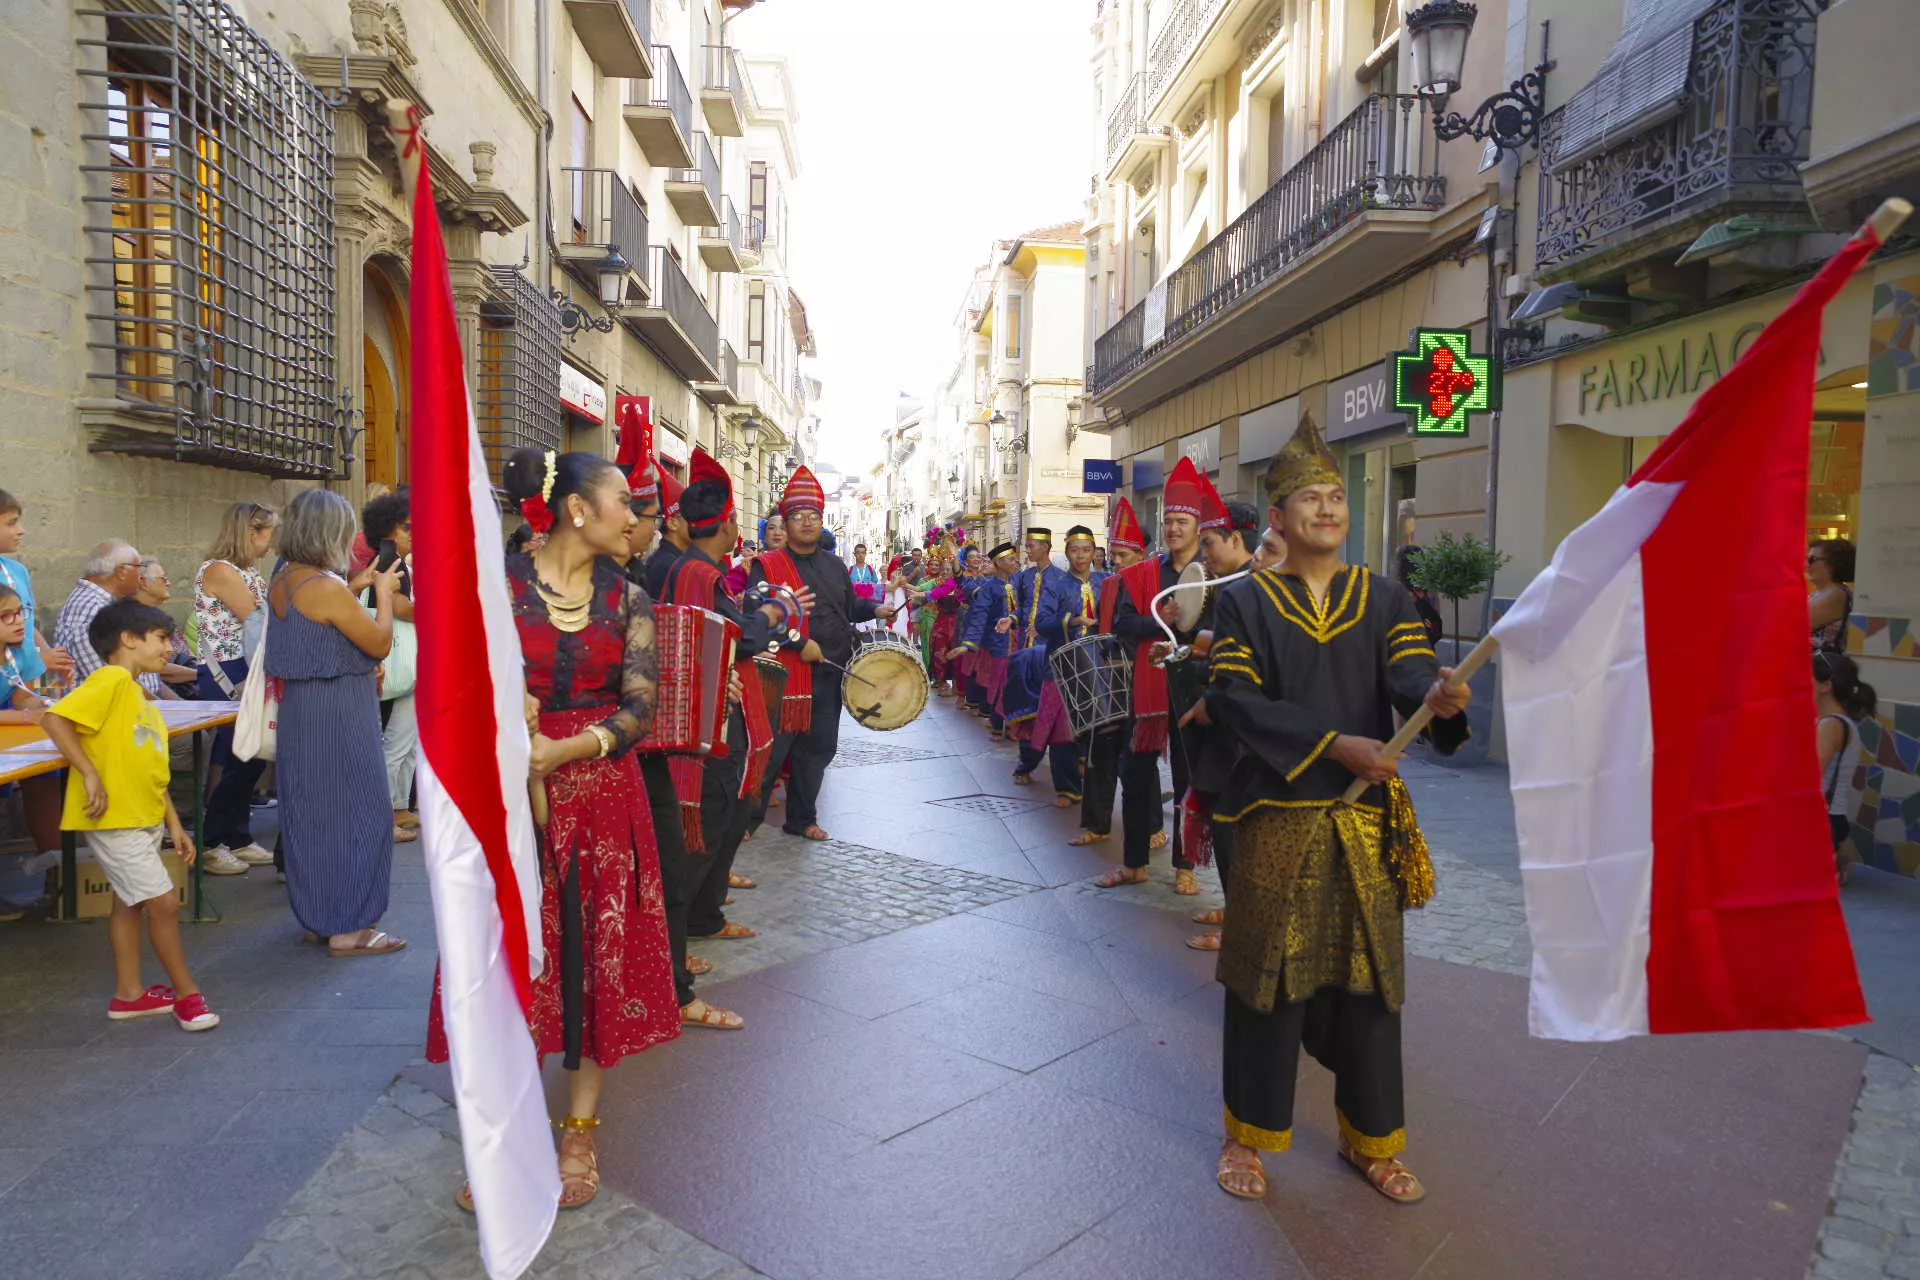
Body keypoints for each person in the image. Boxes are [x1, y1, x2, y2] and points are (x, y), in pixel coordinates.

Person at [1204, 413, 1470, 1205]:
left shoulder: (1383, 597)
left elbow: (1411, 675)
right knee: (1266, 983)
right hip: (1277, 818)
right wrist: (1334, 744)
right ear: (1278, 518)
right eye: (1308, 499)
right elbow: (1233, 698)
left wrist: (1438, 698)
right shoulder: (1246, 604)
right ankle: (1247, 1136)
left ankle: (1372, 1140)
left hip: (1361, 823)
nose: (1326, 508)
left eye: (1335, 496)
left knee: (1371, 987)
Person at [430, 447, 680, 1214]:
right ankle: (504, 1131)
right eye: (623, 503)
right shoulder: (497, 589)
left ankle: (579, 1128)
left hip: (602, 794)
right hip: (508, 797)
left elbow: (642, 707)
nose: (635, 518)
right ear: (578, 509)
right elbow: (457, 686)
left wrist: (567, 748)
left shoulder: (631, 597)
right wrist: (508, 727)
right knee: (508, 956)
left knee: (592, 956)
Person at [659, 450, 799, 1028]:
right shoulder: (698, 574)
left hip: (708, 716)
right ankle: (672, 964)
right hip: (704, 728)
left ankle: (697, 924)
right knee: (699, 833)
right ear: (728, 527)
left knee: (716, 823)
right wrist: (778, 610)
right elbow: (731, 640)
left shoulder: (694, 571)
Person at [42, 599, 219, 1030]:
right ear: (128, 640)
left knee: (129, 903)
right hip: (116, 818)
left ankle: (129, 995)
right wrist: (88, 774)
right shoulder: (112, 679)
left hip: (141, 818)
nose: (167, 649)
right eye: (161, 639)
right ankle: (187, 995)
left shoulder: (136, 692)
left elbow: (150, 768)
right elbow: (55, 718)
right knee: (163, 903)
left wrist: (174, 824)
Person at [265, 489, 407, 957]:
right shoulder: (325, 587)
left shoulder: (284, 579)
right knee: (360, 812)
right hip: (341, 712)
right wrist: (382, 594)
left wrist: (356, 584)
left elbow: (315, 622)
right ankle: (351, 927)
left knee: (312, 814)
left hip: (302, 714)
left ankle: (320, 918)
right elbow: (379, 641)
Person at [748, 466, 891, 841]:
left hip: (829, 672)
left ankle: (802, 819)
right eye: (798, 516)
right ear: (786, 521)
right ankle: (745, 821)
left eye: (814, 516)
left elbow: (849, 607)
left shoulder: (834, 564)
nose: (807, 523)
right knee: (773, 752)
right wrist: (799, 643)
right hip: (784, 675)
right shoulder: (768, 566)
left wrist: (875, 610)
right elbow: (757, 618)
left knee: (819, 749)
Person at [1097, 459, 1213, 893]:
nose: (1173, 529)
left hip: (1192, 687)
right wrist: (1160, 620)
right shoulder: (1143, 574)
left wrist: (1187, 631)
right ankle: (1134, 862)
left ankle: (1186, 867)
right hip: (1146, 687)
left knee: (1188, 779)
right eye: (1167, 521)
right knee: (1136, 774)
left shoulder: (1211, 574)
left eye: (1181, 521)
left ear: (1197, 526)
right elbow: (1123, 625)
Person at [1180, 494, 1261, 951]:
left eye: (1208, 543)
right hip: (1223, 719)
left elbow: (1241, 661)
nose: (1203, 554)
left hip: (1240, 727)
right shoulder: (1227, 583)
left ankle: (1243, 927)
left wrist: (1210, 690)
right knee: (1225, 818)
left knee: (1234, 823)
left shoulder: (1250, 586)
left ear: (1236, 538)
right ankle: (1236, 909)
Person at [193, 501, 280, 876]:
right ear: (250, 532)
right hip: (226, 670)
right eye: (268, 534)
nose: (271, 544)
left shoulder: (247, 571)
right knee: (236, 754)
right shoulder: (220, 571)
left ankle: (237, 835)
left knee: (253, 752)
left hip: (248, 664)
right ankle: (211, 840)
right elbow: (257, 618)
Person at [1072, 500, 1146, 848]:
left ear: (1140, 554)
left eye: (1122, 556)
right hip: (1110, 679)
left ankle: (1151, 828)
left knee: (1138, 762)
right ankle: (1096, 824)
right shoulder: (1111, 586)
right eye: (1113, 555)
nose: (1114, 562)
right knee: (1101, 753)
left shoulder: (1153, 584)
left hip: (1144, 681)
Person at [1006, 528, 1086, 806]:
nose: (1028, 550)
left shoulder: (1063, 580)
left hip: (1052, 652)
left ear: (1046, 547)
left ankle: (1070, 774)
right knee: (1028, 711)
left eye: (1032, 546)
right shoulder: (1023, 578)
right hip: (1025, 652)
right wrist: (1012, 620)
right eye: (1027, 545)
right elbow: (1021, 608)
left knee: (1053, 714)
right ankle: (1025, 763)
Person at [362, 489, 420, 844]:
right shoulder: (387, 565)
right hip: (394, 660)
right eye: (407, 527)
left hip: (406, 661)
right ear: (388, 531)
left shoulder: (402, 562)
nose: (414, 532)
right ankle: (383, 813)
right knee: (396, 741)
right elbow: (404, 609)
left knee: (407, 741)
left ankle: (398, 805)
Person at [0, 490, 76, 691]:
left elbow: (28, 621)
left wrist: (50, 658)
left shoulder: (17, 571)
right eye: (11, 523)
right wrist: (37, 660)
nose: (21, 530)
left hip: (20, 685)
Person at [1816, 649, 1875, 886]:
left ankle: (1828, 863)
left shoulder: (1831, 725)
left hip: (1822, 819)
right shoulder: (1832, 722)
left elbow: (1807, 778)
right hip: (1827, 818)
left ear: (1825, 686)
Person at [54, 541, 145, 684]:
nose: (142, 576)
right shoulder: (92, 607)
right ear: (121, 572)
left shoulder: (103, 603)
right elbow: (111, 682)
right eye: (139, 568)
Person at [954, 543, 1019, 739]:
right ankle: (999, 724)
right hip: (997, 643)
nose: (1015, 562)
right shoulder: (989, 588)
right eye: (1010, 559)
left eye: (1015, 558)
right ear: (999, 563)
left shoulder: (1019, 583)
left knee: (1015, 683)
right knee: (999, 683)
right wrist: (970, 643)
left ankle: (1013, 724)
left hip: (1018, 642)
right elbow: (979, 616)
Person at [131, 560, 197, 697]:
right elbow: (159, 670)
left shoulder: (154, 616)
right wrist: (202, 674)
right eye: (163, 578)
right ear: (143, 583)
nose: (169, 583)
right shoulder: (131, 620)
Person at [1809, 537, 1855, 652]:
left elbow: (1791, 623)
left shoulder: (1837, 594)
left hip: (1818, 665)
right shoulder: (1823, 592)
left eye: (1812, 560)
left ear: (1832, 563)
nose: (1806, 564)